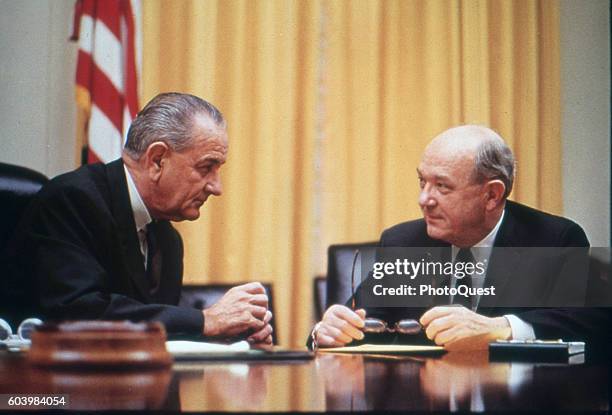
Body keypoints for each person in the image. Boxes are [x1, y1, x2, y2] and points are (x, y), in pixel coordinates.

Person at [4, 93, 272, 345]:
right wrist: (205, 320)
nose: (216, 187)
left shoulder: (167, 238)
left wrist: (228, 334)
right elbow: (79, 314)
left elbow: (152, 332)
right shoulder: (73, 200)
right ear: (157, 160)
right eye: (206, 167)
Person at [312, 125, 605, 351]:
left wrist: (502, 328)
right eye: (422, 181)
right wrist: (327, 332)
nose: (423, 199)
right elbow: (359, 324)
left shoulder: (553, 239)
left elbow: (592, 326)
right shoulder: (403, 243)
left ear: (491, 195)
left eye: (442, 186)